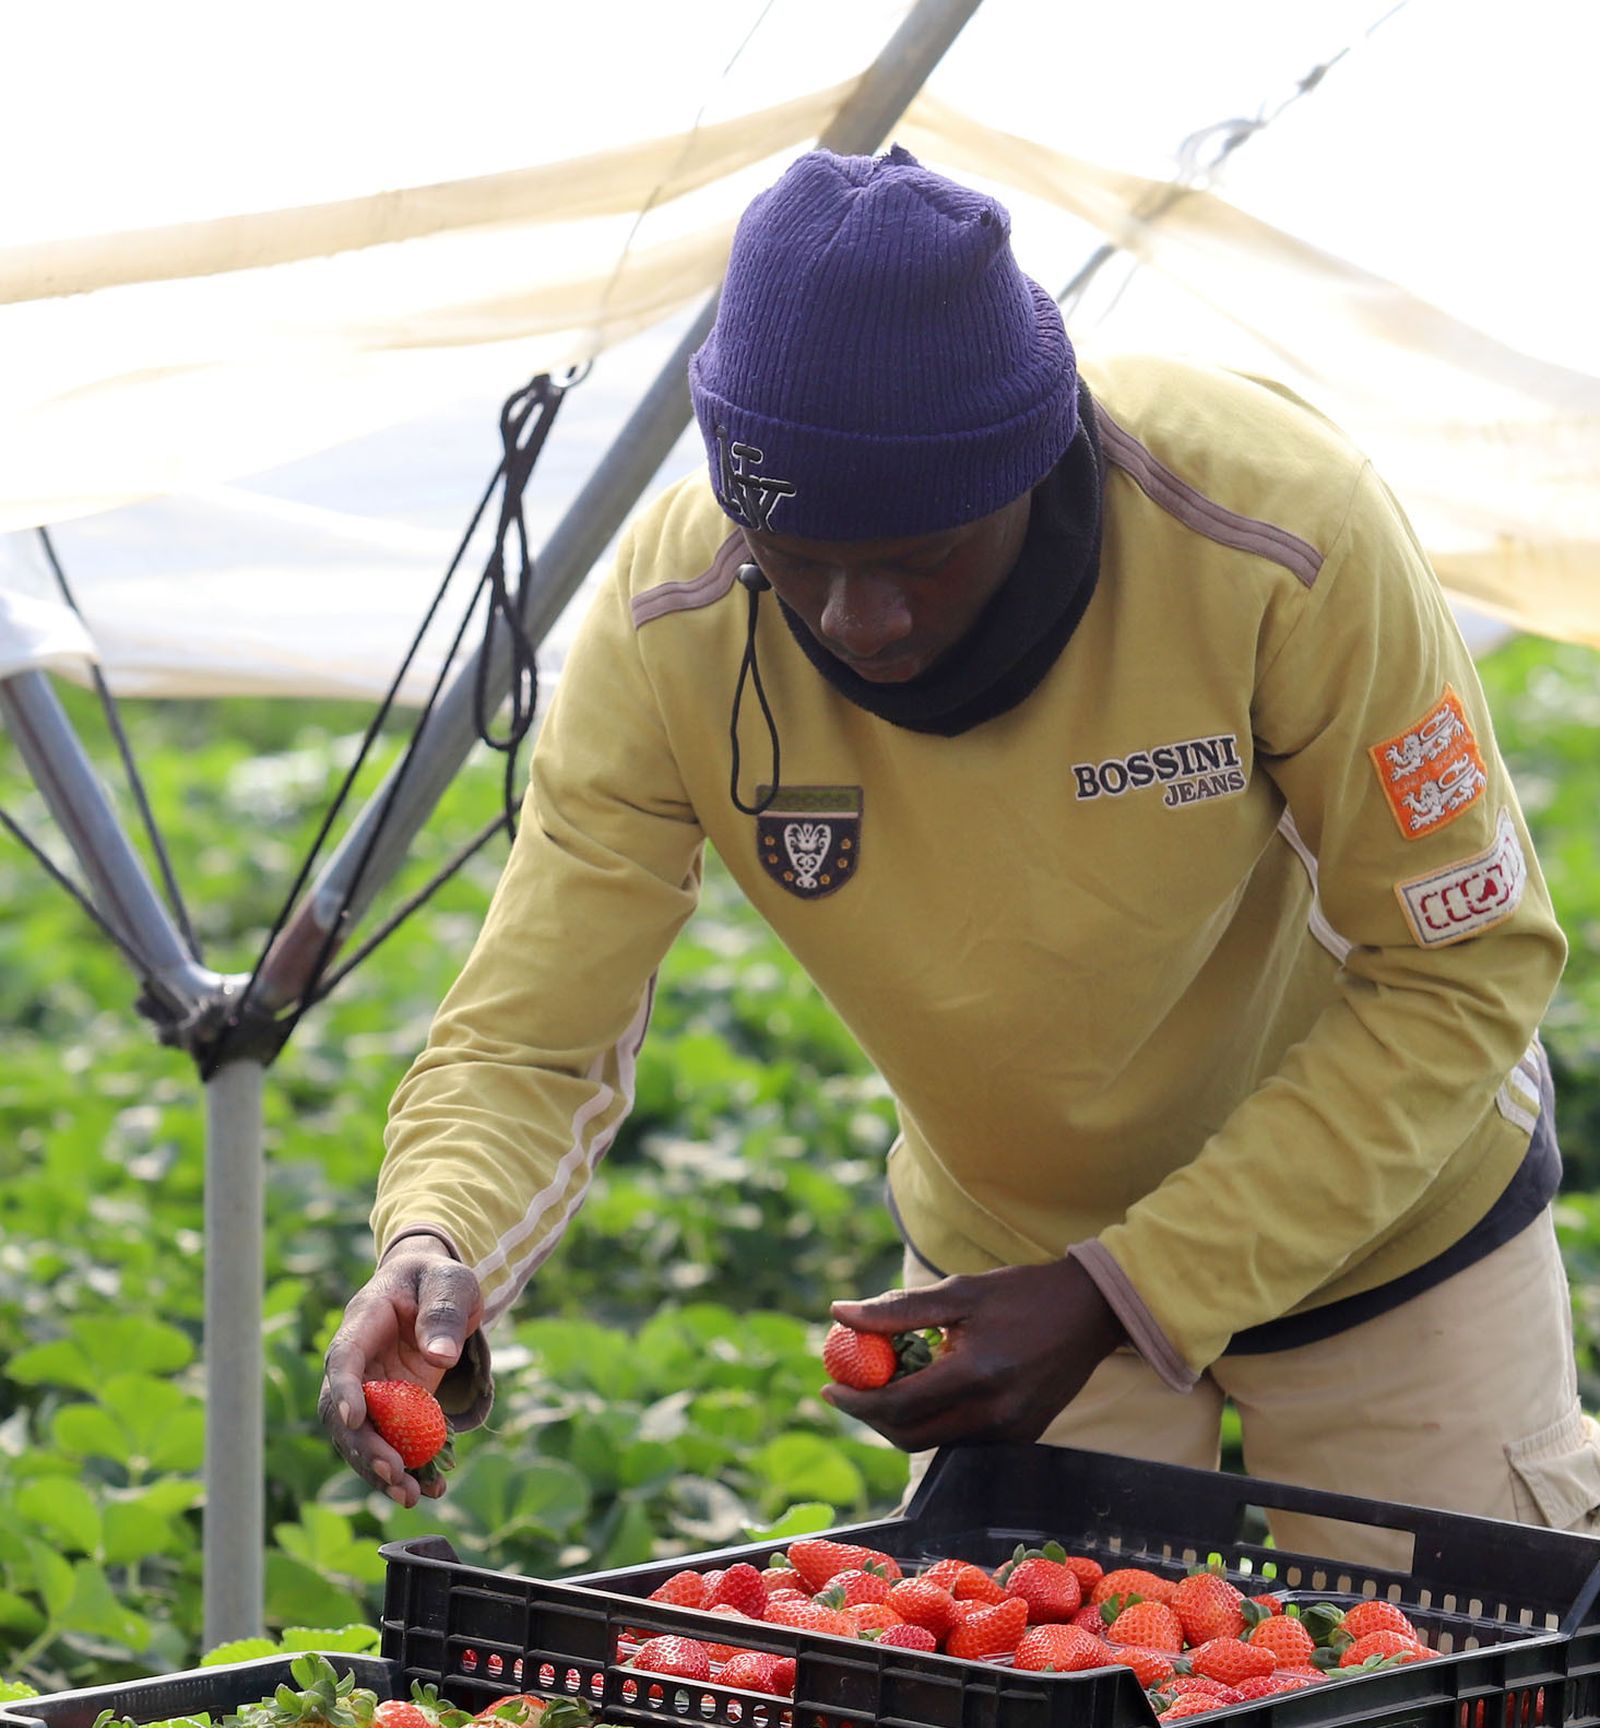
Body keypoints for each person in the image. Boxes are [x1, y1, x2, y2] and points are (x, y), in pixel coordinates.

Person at [320, 145, 1600, 1569]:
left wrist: (1133, 1287)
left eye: (919, 557)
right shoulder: (673, 622)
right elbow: (538, 1037)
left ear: (1035, 469)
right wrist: (440, 1246)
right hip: (1012, 1280)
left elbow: (1461, 968)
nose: (857, 619)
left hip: (1396, 1250)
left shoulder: (1274, 531)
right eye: (794, 558)